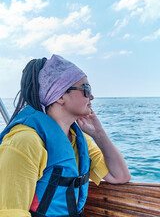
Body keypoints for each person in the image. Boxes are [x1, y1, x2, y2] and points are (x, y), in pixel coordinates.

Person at [0, 54, 131, 217]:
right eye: (86, 89)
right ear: (61, 96)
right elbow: (11, 212)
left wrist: (99, 134)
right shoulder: (25, 142)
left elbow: (119, 176)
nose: (91, 97)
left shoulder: (78, 139)